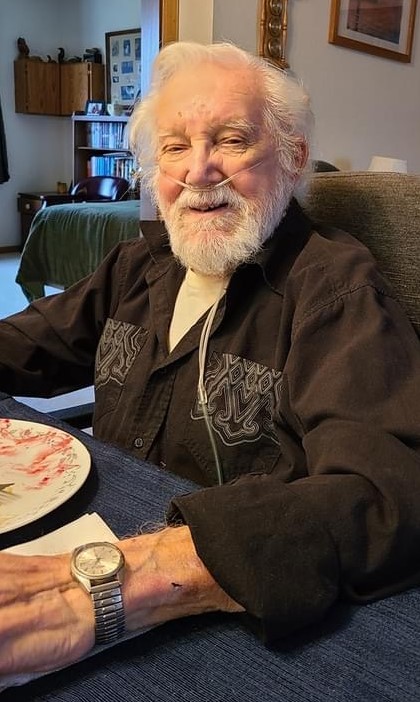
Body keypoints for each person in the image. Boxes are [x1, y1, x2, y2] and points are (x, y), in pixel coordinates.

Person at [1, 40, 420, 677]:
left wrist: (128, 580)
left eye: (230, 140)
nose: (198, 172)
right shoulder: (137, 264)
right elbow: (26, 344)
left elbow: (386, 497)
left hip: (223, 617)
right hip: (88, 547)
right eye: (174, 147)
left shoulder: (336, 291)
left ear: (292, 158)